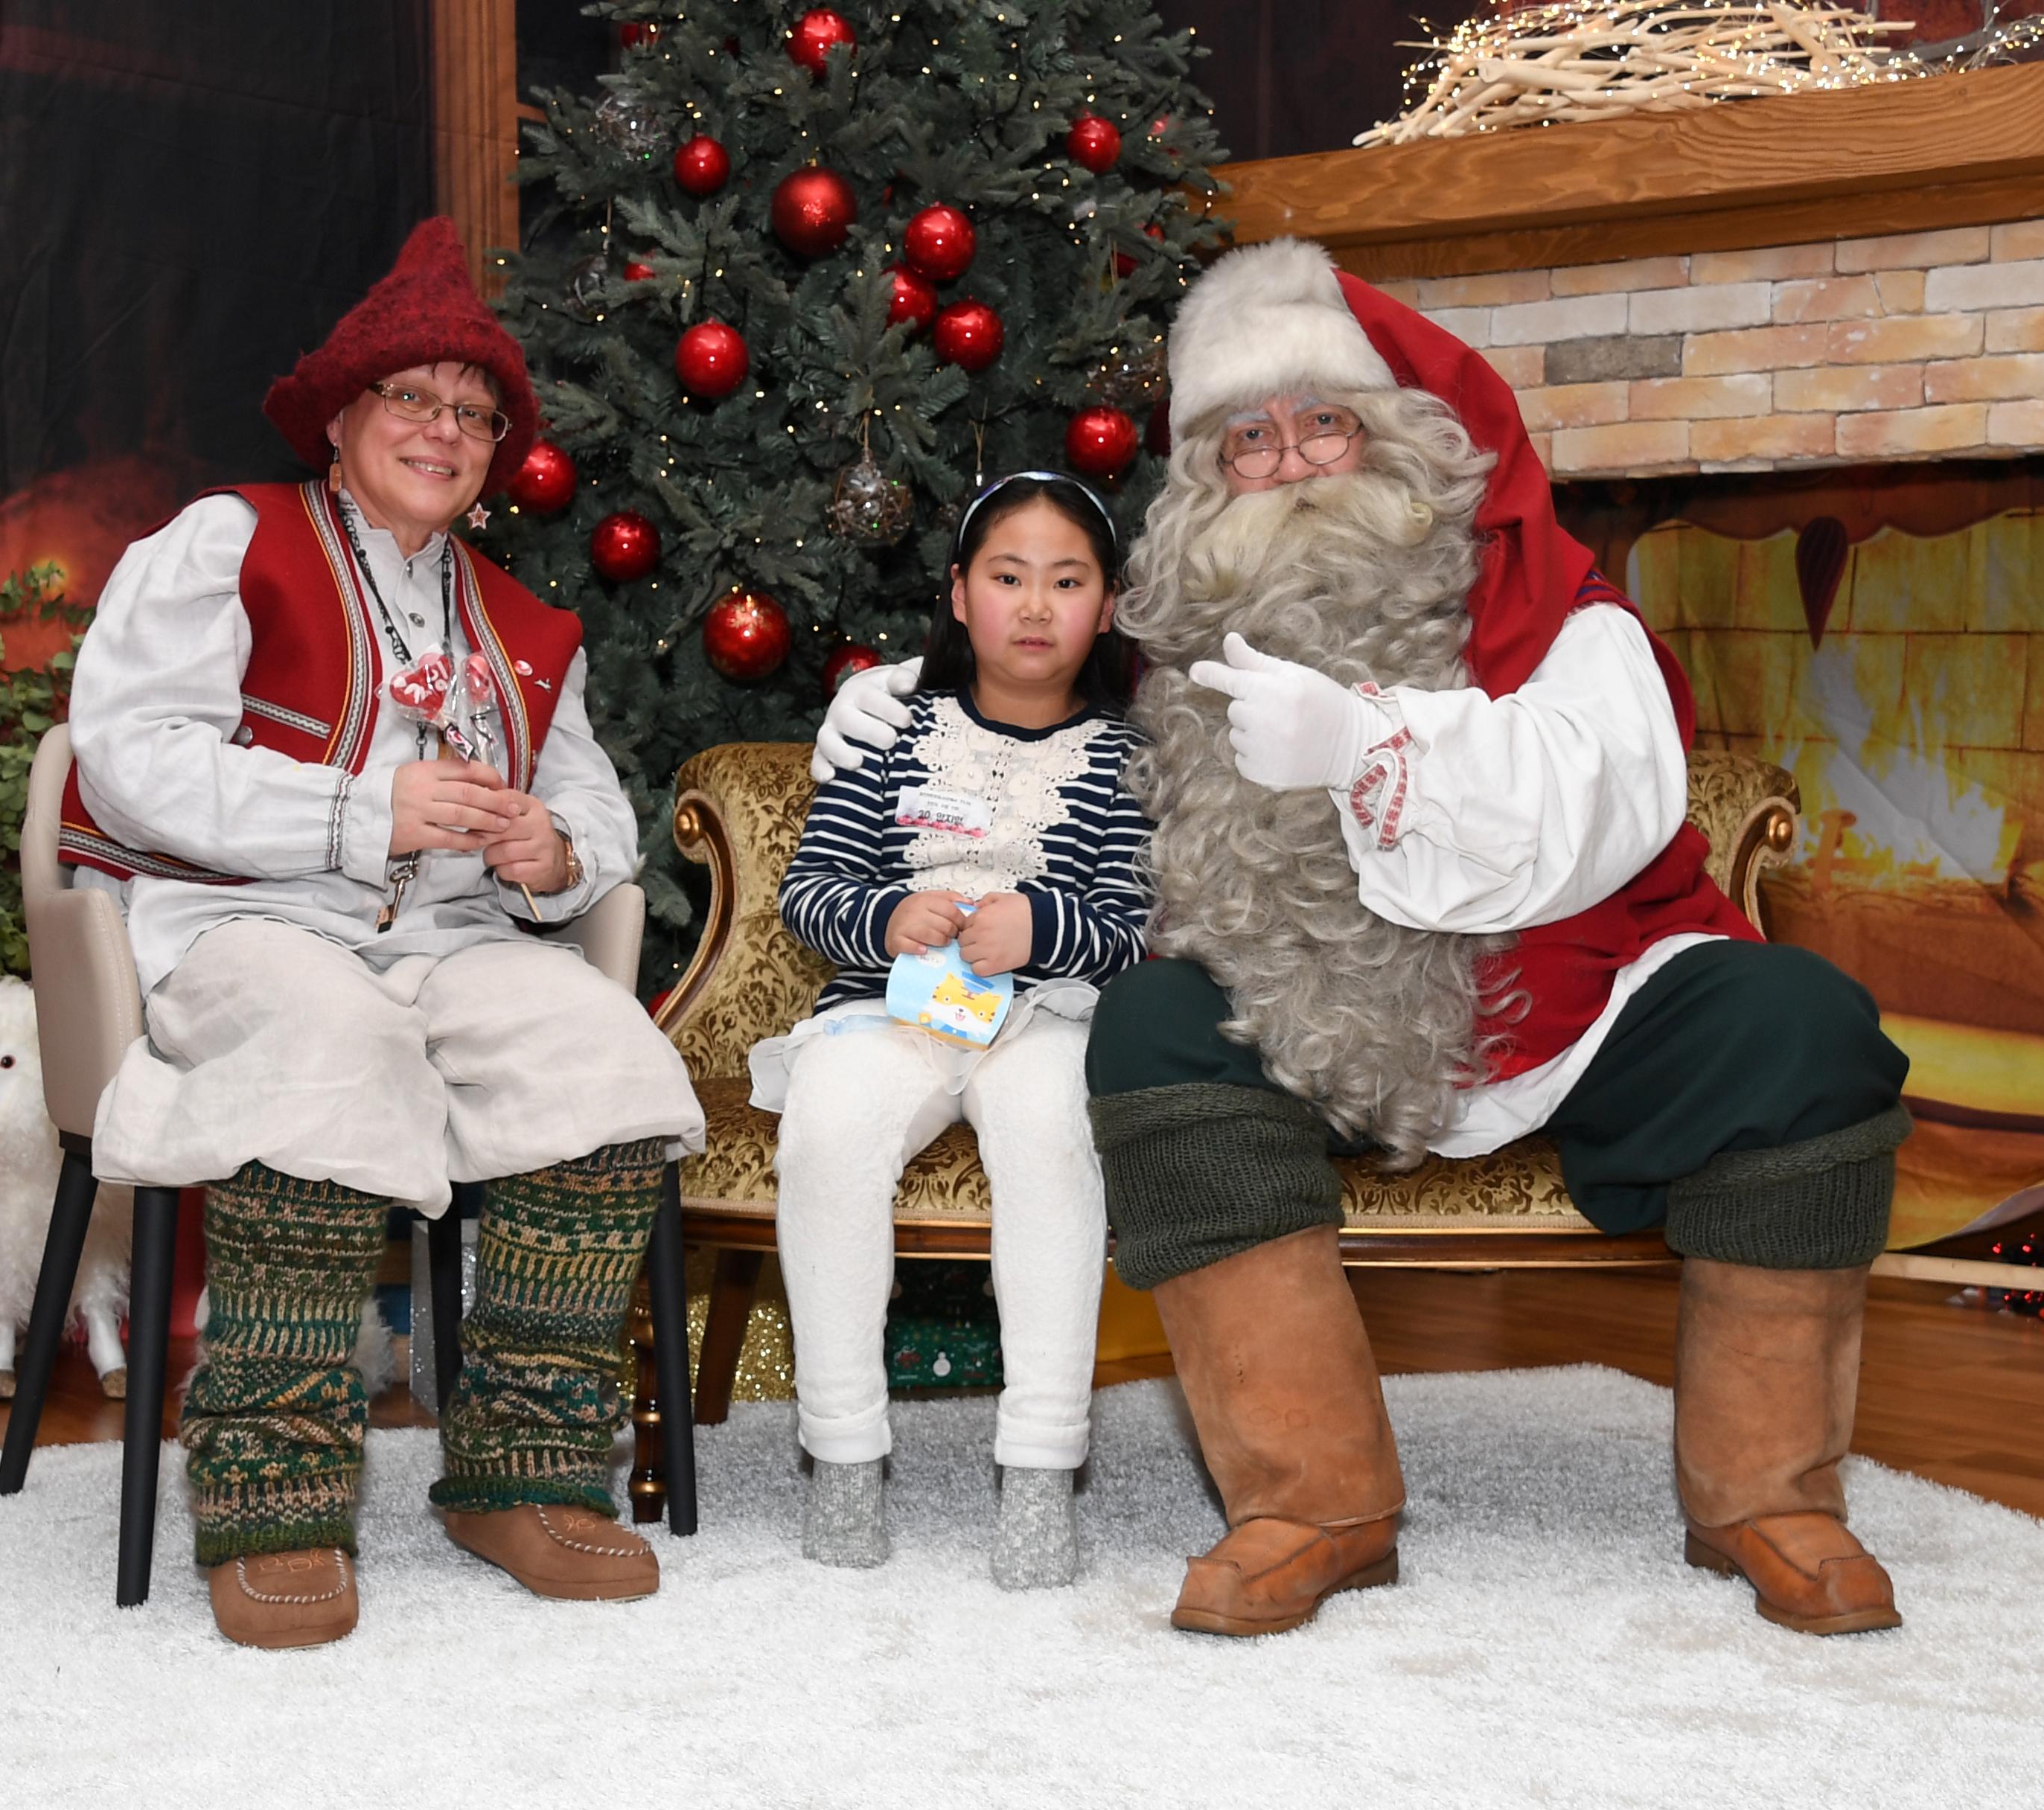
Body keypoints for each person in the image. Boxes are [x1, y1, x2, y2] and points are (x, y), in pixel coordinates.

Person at [817, 239, 1911, 1640]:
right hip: (1291, 1020)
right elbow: (1023, 700)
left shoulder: (1557, 608)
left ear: (1395, 438)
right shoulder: (1170, 639)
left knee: (1802, 1027)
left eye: (1323, 423)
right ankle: (1309, 1498)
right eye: (1248, 441)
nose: (1291, 464)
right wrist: (900, 718)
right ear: (1206, 481)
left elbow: (1608, 800)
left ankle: (1774, 1494)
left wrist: (1370, 745)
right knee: (1155, 1030)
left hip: (1562, 1008)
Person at [63, 219, 705, 1649]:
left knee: (600, 1051)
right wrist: (369, 811)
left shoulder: (526, 626)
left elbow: (596, 810)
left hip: (456, 944)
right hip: (243, 924)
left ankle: (520, 1475)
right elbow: (131, 758)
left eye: (474, 414)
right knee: (330, 1038)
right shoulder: (227, 542)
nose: (448, 429)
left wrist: (555, 852)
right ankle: (274, 1496)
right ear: (342, 418)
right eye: (414, 399)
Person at [756, 475, 1149, 1588]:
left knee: (1052, 1139)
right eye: (1008, 577)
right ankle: (842, 1456)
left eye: (1067, 582)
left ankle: (1038, 1472)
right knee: (828, 1130)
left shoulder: (1131, 761)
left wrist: (1045, 927)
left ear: (1107, 606)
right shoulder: (890, 730)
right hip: (890, 1007)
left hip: (1047, 1015)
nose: (1036, 606)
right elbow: (809, 893)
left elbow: (1134, 932)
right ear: (960, 596)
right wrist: (885, 916)